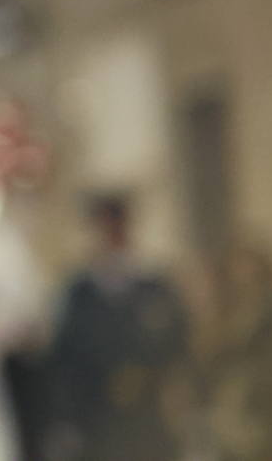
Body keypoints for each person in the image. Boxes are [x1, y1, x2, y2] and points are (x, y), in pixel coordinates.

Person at [44, 192, 189, 461]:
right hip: (96, 417)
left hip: (150, 414)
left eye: (115, 226)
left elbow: (177, 345)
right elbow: (64, 357)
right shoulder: (79, 294)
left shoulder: (154, 287)